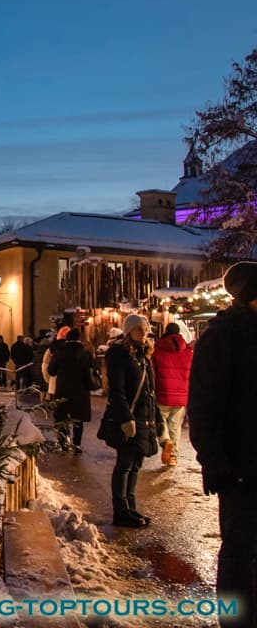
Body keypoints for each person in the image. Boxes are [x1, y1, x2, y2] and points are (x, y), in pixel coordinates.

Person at [189, 261, 257, 627]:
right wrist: (216, 463)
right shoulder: (223, 335)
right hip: (240, 466)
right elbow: (203, 406)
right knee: (239, 551)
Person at [100, 313, 163, 528]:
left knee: (136, 464)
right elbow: (117, 391)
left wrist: (158, 421)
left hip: (144, 419)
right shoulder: (120, 355)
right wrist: (126, 418)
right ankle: (121, 510)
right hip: (129, 419)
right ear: (128, 332)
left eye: (145, 330)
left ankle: (131, 507)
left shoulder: (143, 356)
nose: (144, 334)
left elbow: (150, 392)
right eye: (139, 329)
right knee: (124, 464)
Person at [152, 322, 192, 467]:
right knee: (175, 425)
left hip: (163, 393)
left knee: (160, 420)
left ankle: (164, 441)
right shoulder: (188, 351)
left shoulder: (157, 349)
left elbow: (153, 372)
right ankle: (173, 456)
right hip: (181, 395)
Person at [47, 327, 94, 453]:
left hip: (63, 389)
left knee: (61, 417)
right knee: (78, 419)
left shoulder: (60, 351)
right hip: (80, 391)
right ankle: (77, 444)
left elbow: (51, 371)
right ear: (79, 338)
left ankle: (63, 444)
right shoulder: (85, 352)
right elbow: (91, 371)